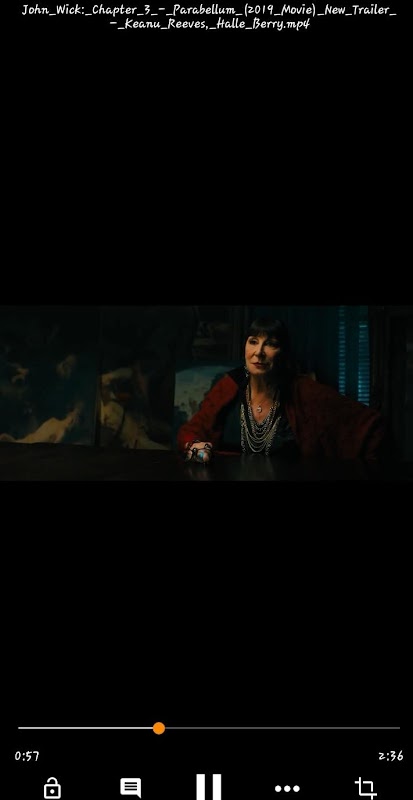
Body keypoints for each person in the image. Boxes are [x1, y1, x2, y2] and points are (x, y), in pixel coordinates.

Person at [176, 317, 387, 464]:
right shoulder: (229, 385)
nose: (259, 352)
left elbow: (369, 424)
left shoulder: (302, 390)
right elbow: (190, 432)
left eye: (271, 344)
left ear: (283, 353)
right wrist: (197, 449)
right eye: (253, 342)